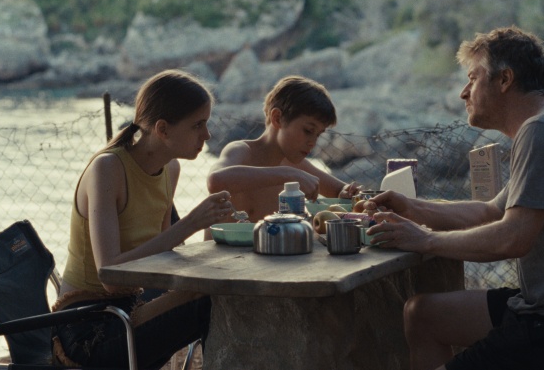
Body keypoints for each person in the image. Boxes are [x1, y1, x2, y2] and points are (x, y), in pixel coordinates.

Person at [365, 27, 544, 370]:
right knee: (420, 314)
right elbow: (490, 211)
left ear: (505, 79)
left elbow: (514, 237)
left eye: (473, 78)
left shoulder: (542, 132)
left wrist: (424, 240)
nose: (464, 92)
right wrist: (411, 207)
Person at [52, 69, 238, 369]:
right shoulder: (108, 169)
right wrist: (190, 224)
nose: (207, 135)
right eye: (198, 125)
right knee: (206, 302)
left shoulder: (170, 169)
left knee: (224, 291)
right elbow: (111, 277)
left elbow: (160, 258)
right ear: (162, 129)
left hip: (128, 310)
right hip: (88, 328)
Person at [207, 75, 361, 221]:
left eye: (318, 135)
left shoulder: (294, 166)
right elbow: (215, 181)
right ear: (277, 118)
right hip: (224, 242)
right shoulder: (242, 151)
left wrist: (347, 194)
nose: (313, 142)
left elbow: (339, 190)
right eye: (308, 131)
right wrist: (288, 174)